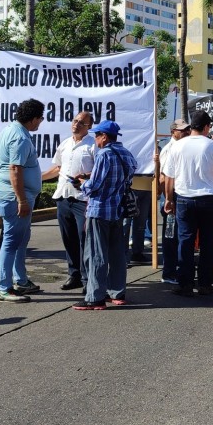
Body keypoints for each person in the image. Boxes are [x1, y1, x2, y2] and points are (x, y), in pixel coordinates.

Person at [162, 111, 213, 297]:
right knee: (207, 242)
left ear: (191, 127)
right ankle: (205, 283)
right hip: (209, 199)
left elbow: (169, 178)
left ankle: (185, 283)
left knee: (185, 241)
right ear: (206, 127)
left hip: (184, 198)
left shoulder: (177, 146)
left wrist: (168, 199)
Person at [73, 120, 137, 310]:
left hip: (99, 210)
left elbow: (95, 185)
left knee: (95, 254)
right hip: (118, 210)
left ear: (105, 137)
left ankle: (94, 297)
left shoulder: (104, 155)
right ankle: (117, 292)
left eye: (96, 135)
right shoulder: (127, 154)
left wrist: (81, 183)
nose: (95, 139)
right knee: (117, 254)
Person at [0, 99, 45, 303]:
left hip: (16, 194)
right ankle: (4, 288)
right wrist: (22, 200)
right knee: (11, 242)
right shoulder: (20, 137)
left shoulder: (12, 130)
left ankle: (20, 280)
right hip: (14, 196)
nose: (40, 122)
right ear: (33, 119)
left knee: (20, 239)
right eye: (40, 118)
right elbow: (15, 169)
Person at [41, 111, 95, 291]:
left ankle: (88, 279)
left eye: (82, 123)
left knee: (84, 238)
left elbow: (100, 171)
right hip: (63, 197)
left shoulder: (93, 145)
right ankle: (74, 275)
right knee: (68, 238)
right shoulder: (65, 144)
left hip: (83, 199)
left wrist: (85, 178)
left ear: (89, 127)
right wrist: (37, 178)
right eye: (75, 121)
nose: (76, 125)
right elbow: (57, 168)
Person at [158, 119, 191, 285]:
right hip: (172, 197)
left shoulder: (183, 147)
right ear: (173, 132)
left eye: (187, 129)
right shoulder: (169, 149)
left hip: (181, 196)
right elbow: (164, 177)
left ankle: (176, 269)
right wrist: (167, 199)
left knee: (179, 236)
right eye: (182, 130)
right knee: (170, 237)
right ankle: (168, 272)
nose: (186, 132)